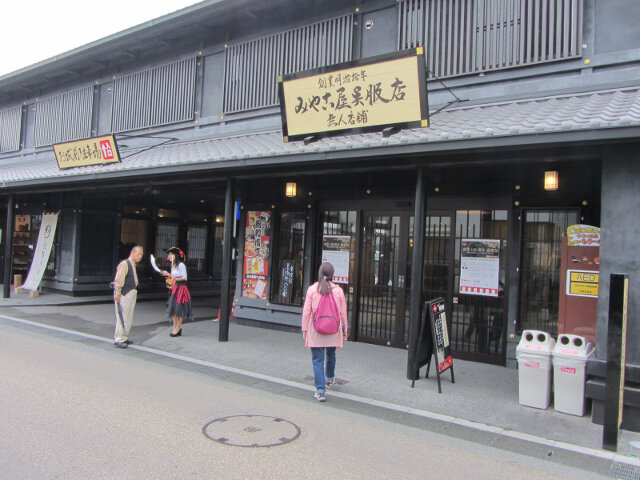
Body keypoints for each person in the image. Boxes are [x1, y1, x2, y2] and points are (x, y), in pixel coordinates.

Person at [301, 262, 348, 402]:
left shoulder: (312, 289)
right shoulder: (338, 291)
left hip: (316, 329)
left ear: (319, 273)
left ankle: (320, 391)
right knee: (331, 353)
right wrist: (345, 329)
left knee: (317, 359)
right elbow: (343, 313)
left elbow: (307, 312)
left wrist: (304, 329)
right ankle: (329, 378)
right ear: (333, 274)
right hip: (333, 329)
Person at [113, 245, 144, 348]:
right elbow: (119, 279)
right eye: (138, 254)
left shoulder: (133, 264)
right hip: (124, 293)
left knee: (128, 316)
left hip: (131, 292)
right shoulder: (125, 263)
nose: (140, 256)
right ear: (132, 253)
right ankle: (119, 338)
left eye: (141, 255)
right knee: (122, 316)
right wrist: (118, 293)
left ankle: (124, 337)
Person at [162, 247, 193, 337]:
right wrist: (168, 276)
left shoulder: (181, 265)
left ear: (175, 255)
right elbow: (172, 277)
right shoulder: (172, 265)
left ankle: (178, 327)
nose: (169, 256)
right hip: (174, 287)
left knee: (180, 308)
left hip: (181, 287)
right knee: (174, 308)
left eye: (171, 254)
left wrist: (172, 277)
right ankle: (175, 327)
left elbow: (184, 277)